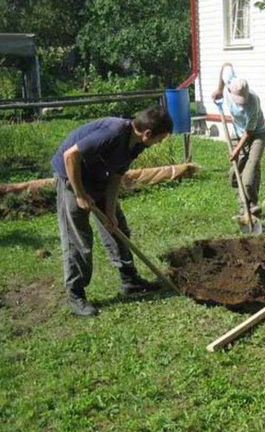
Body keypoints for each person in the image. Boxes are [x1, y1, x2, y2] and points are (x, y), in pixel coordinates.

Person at [51, 107, 173, 317]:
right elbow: (70, 156)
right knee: (79, 238)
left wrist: (110, 211)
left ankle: (130, 280)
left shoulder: (136, 145)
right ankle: (76, 294)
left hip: (99, 177)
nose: (159, 144)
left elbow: (117, 175)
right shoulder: (113, 132)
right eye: (160, 139)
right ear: (148, 134)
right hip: (72, 177)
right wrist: (80, 194)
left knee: (117, 228)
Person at [212, 63, 265, 219]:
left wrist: (237, 150)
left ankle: (253, 205)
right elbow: (225, 66)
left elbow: (249, 132)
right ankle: (244, 206)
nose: (242, 102)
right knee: (234, 175)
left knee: (249, 174)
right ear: (230, 90)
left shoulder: (254, 102)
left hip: (257, 135)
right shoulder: (231, 84)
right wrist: (218, 89)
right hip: (238, 135)